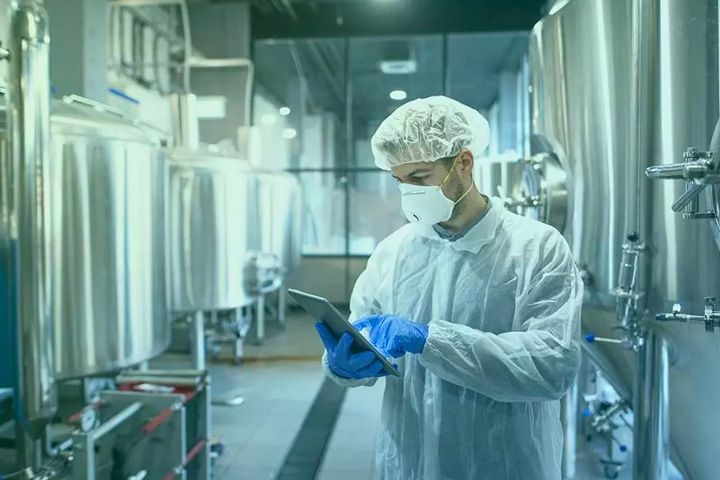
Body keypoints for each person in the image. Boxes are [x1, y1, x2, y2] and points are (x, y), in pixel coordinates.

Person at [314, 95, 583, 480]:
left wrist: (430, 340)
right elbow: (364, 333)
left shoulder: (536, 248)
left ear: (463, 163)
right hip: (409, 462)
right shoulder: (394, 251)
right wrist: (346, 363)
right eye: (400, 181)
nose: (409, 193)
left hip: (505, 462)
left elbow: (552, 365)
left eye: (420, 178)